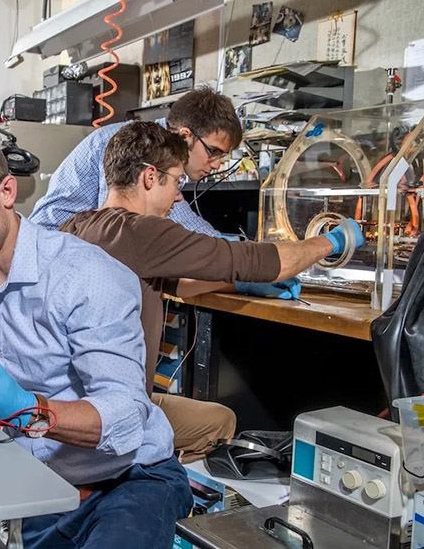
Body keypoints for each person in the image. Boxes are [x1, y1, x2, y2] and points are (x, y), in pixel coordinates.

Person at [0, 129, 191, 549]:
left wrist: (27, 410)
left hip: (127, 481)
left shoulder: (86, 275)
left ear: (7, 191)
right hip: (39, 486)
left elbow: (126, 419)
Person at [60, 122, 365, 458]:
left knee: (216, 417)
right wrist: (332, 241)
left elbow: (181, 284)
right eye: (176, 182)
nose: (179, 195)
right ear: (149, 177)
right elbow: (257, 259)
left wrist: (241, 283)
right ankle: (142, 470)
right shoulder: (141, 231)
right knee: (219, 423)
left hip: (75, 404)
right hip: (116, 413)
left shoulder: (78, 225)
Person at [29, 86, 241, 236]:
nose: (217, 164)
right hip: (53, 255)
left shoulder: (164, 154)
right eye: (213, 151)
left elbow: (182, 219)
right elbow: (121, 230)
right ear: (186, 136)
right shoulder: (137, 145)